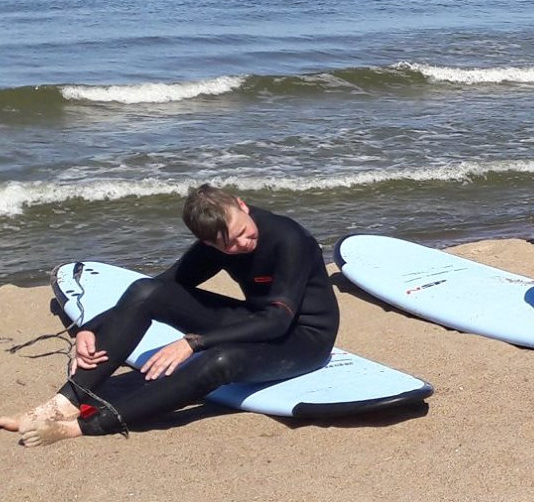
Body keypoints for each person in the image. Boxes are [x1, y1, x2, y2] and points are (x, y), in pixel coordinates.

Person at [2, 186, 339, 447]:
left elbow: (278, 320)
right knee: (146, 292)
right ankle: (64, 403)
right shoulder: (217, 243)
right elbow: (159, 288)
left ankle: (84, 426)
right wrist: (88, 329)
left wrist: (194, 343)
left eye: (242, 232)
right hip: (257, 320)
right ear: (208, 243)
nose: (241, 244)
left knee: (218, 360)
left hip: (303, 338)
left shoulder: (289, 239)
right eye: (228, 245)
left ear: (242, 205)